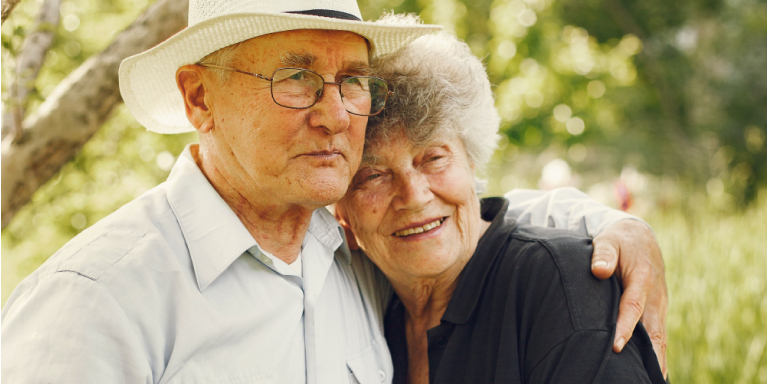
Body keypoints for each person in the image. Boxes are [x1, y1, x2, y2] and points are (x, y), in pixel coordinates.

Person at [1, 1, 665, 383]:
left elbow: (453, 225)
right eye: (294, 77)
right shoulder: (96, 302)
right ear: (200, 98)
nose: (334, 113)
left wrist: (597, 221)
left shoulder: (351, 256)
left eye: (351, 78)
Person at [334, 23, 666, 383]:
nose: (414, 197)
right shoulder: (362, 304)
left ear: (471, 161)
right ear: (342, 213)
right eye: (373, 176)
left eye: (433, 158)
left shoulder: (562, 286)